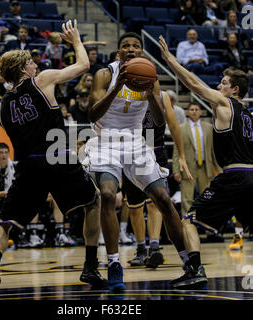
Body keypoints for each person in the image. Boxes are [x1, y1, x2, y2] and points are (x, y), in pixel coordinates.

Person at [0, 20, 106, 295]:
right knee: (94, 202)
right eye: (31, 62)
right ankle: (90, 266)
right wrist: (77, 41)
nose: (35, 64)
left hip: (28, 164)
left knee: (5, 222)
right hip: (56, 157)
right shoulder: (41, 80)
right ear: (24, 68)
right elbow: (82, 67)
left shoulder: (2, 105)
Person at [85, 32, 189, 291]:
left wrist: (153, 94)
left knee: (163, 199)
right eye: (125, 46)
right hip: (105, 141)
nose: (131, 49)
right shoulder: (105, 75)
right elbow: (91, 113)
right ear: (118, 51)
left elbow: (160, 122)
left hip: (135, 142)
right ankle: (113, 263)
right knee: (108, 195)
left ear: (141, 52)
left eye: (136, 46)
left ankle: (190, 262)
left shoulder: (148, 75)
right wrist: (119, 86)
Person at [159, 34, 252, 288]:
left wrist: (169, 60)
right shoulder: (249, 116)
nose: (218, 86)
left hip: (234, 176)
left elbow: (194, 84)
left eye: (223, 83)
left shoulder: (225, 103)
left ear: (235, 90)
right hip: (250, 176)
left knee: (188, 221)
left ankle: (195, 270)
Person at [125, 90, 192, 267]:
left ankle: (154, 247)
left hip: (156, 150)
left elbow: (174, 125)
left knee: (156, 203)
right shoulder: (124, 94)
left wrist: (182, 156)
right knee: (135, 206)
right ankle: (140, 249)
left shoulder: (162, 96)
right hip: (131, 152)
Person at [173, 103, 220, 217]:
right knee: (187, 198)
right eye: (191, 109)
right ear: (187, 112)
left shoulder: (208, 127)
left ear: (200, 112)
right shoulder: (181, 128)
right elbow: (176, 151)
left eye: (196, 109)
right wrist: (176, 170)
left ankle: (206, 224)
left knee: (207, 197)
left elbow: (213, 149)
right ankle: (188, 225)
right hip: (188, 168)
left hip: (205, 167)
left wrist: (218, 168)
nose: (194, 111)